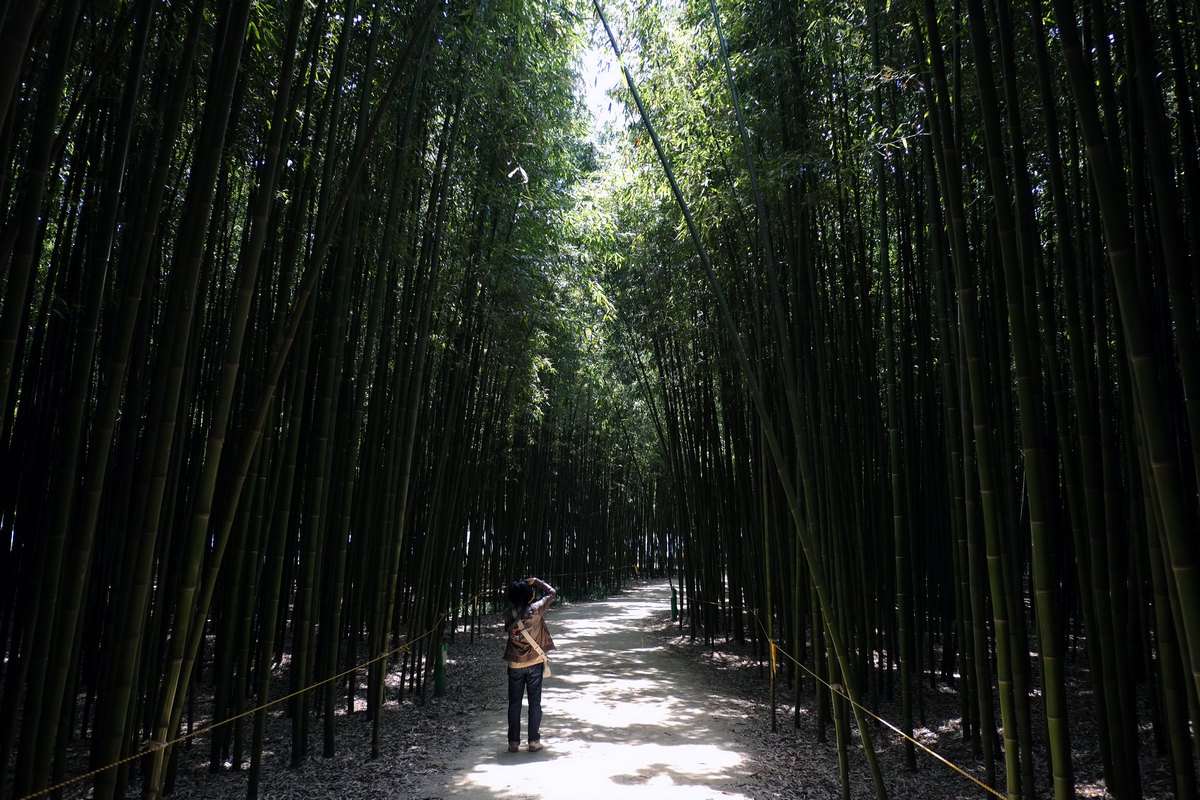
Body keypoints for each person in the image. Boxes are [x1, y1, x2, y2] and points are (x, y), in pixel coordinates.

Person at [502, 576, 556, 752]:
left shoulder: (507, 615)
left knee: (514, 703)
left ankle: (513, 743)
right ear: (531, 596)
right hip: (534, 662)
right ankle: (533, 741)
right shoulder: (536, 610)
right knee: (534, 702)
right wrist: (536, 581)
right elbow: (552, 592)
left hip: (514, 664)